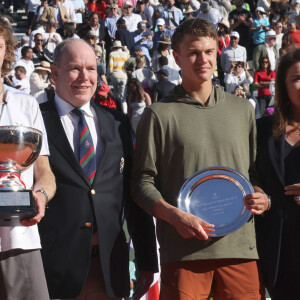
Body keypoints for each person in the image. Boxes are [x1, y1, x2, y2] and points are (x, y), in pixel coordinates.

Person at [131, 18, 268, 300]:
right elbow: (141, 183)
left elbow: (254, 176)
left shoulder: (243, 110)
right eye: (193, 52)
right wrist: (174, 216)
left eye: (208, 51)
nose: (202, 59)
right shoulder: (158, 114)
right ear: (177, 57)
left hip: (240, 248)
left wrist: (262, 196)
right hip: (183, 250)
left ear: (217, 52)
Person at [38, 39, 158, 299]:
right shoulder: (36, 121)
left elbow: (133, 194)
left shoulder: (117, 123)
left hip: (109, 267)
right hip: (53, 269)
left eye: (91, 69)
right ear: (55, 74)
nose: (85, 77)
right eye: (74, 69)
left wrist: (148, 260)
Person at [0, 17, 56, 300]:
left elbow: (44, 172)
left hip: (19, 237)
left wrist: (41, 195)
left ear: (6, 52)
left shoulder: (25, 103)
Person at [255, 47, 300, 300]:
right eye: (297, 78)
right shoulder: (262, 129)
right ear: (283, 84)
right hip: (273, 247)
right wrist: (257, 190)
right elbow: (249, 173)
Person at [108, 40, 130, 113]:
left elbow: (110, 67)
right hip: (124, 76)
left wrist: (109, 75)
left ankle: (116, 111)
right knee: (123, 98)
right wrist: (125, 48)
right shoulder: (125, 54)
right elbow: (128, 53)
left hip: (115, 75)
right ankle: (125, 114)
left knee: (115, 94)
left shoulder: (112, 54)